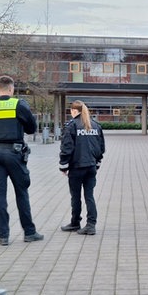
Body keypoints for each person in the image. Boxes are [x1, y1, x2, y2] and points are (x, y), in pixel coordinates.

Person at [0, 75, 44, 246]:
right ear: (11, 88)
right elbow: (31, 128)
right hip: (14, 153)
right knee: (21, 192)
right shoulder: (19, 104)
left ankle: (3, 236)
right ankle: (29, 233)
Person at [59, 100, 105, 235]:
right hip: (91, 166)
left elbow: (67, 147)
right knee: (89, 195)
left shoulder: (72, 126)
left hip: (77, 167)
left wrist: (63, 166)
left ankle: (75, 222)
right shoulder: (95, 125)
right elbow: (101, 147)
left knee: (76, 196)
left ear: (74, 111)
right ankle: (91, 224)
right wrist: (97, 163)